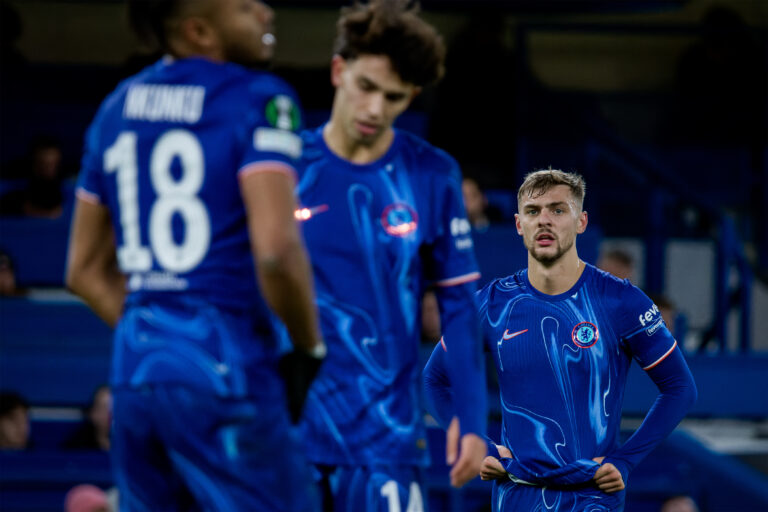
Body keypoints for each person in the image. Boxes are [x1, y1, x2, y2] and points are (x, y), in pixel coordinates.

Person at [65, 1, 325, 510]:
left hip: (135, 374)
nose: (267, 14)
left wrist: (164, 340)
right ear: (200, 31)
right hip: (227, 365)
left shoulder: (116, 106)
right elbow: (275, 251)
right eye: (247, 6)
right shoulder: (260, 98)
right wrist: (308, 348)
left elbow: (81, 270)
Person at [294, 1, 488, 509]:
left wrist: (471, 420)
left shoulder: (431, 174)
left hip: (387, 439)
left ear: (413, 97)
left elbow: (460, 308)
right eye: (366, 87)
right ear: (339, 71)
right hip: (285, 433)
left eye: (394, 96)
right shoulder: (281, 167)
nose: (376, 108)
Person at [424, 169, 698, 511]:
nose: (544, 221)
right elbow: (434, 380)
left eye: (558, 210)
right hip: (516, 496)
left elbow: (680, 387)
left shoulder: (621, 301)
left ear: (581, 222)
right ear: (518, 224)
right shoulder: (489, 304)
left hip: (592, 497)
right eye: (533, 211)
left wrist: (626, 460)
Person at [62, 385, 111, 451]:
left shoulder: (128, 450)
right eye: (104, 408)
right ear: (92, 413)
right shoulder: (76, 449)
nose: (110, 414)